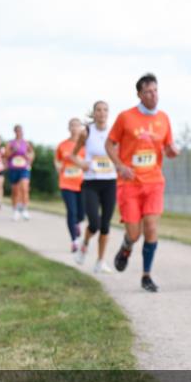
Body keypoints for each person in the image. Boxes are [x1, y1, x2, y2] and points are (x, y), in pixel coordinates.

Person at [107, 74, 179, 292]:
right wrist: (119, 165)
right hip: (129, 183)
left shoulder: (164, 118)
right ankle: (127, 245)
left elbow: (167, 147)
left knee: (151, 227)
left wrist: (172, 151)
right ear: (139, 94)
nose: (153, 95)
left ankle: (146, 275)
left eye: (155, 90)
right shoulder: (125, 118)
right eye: (148, 91)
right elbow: (110, 144)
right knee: (134, 233)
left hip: (154, 182)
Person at [69, 101, 118, 274]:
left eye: (105, 110)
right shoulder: (86, 132)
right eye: (99, 110)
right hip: (91, 183)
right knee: (94, 223)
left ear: (108, 113)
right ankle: (84, 245)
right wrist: (81, 163)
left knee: (105, 225)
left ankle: (100, 261)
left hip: (110, 182)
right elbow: (72, 155)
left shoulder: (114, 133)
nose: (102, 113)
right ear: (94, 113)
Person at [55, 118, 86, 251]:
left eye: (77, 126)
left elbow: (88, 162)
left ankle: (77, 224)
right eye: (72, 126)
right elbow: (57, 160)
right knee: (71, 211)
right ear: (69, 128)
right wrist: (58, 167)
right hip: (66, 183)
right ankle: (74, 240)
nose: (74, 128)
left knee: (81, 214)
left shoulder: (85, 145)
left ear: (81, 128)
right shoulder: (62, 145)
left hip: (83, 183)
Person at [6, 125, 35, 221]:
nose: (20, 132)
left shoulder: (26, 143)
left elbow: (32, 154)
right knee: (15, 191)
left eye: (21, 131)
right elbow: (6, 155)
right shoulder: (10, 143)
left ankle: (25, 209)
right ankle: (15, 211)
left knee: (24, 188)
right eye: (17, 131)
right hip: (13, 168)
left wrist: (29, 158)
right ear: (14, 132)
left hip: (24, 168)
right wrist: (13, 150)